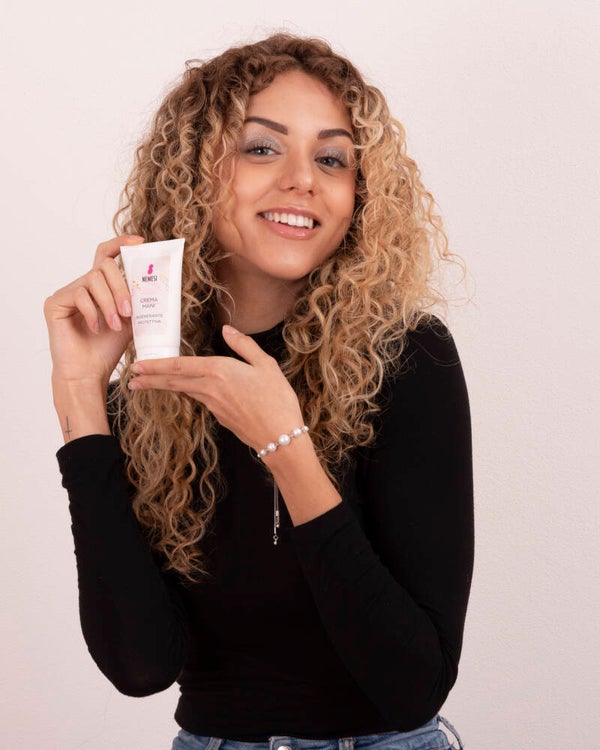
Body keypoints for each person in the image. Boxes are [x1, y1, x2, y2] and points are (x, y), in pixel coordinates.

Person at [44, 33, 473, 750]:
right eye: (262, 148)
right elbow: (141, 667)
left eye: (331, 159)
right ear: (193, 174)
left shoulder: (406, 358)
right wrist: (82, 393)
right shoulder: (151, 388)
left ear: (358, 196)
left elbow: (414, 685)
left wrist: (286, 447)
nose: (303, 179)